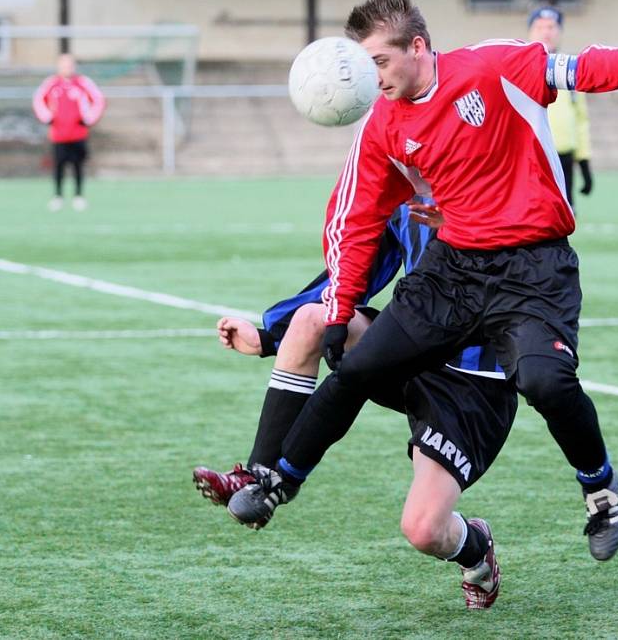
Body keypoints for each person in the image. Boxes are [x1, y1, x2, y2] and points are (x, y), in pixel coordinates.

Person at [231, 0, 618, 573]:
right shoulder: (383, 125)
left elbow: (573, 67)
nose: (375, 79)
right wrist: (339, 307)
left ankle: (600, 490)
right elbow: (358, 220)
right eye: (365, 69)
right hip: (453, 271)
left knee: (545, 380)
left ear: (417, 47)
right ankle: (281, 481)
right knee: (358, 368)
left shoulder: (491, 64)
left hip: (534, 270)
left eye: (381, 63)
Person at [194, 199, 517, 609]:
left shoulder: (494, 193)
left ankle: (475, 548)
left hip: (472, 388)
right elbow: (354, 273)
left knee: (423, 529)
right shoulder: (409, 197)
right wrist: (268, 337)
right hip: (411, 355)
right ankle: (259, 476)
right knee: (313, 319)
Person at [528, 6, 593, 210]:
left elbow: (581, 118)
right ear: (531, 31)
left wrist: (583, 160)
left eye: (551, 27)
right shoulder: (519, 67)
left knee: (564, 213)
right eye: (540, 27)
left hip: (563, 156)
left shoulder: (571, 69)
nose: (546, 32)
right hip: (532, 156)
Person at [32, 53, 105, 211]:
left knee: (78, 165)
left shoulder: (83, 82)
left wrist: (88, 119)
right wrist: (48, 118)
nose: (67, 68)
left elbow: (98, 100)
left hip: (78, 134)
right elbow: (38, 100)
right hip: (59, 134)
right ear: (59, 66)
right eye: (64, 65)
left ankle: (79, 196)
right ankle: (58, 196)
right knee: (58, 166)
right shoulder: (52, 83)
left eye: (69, 65)